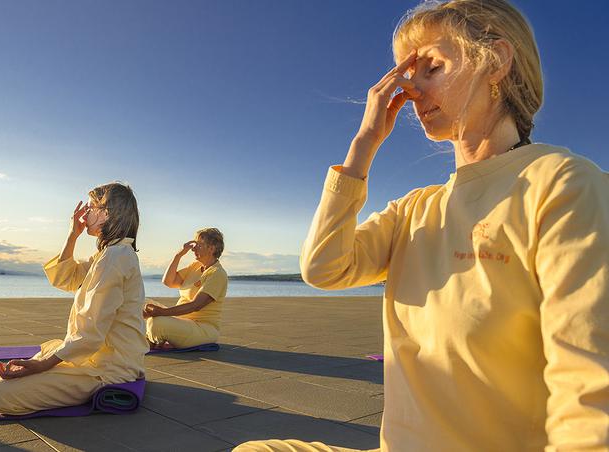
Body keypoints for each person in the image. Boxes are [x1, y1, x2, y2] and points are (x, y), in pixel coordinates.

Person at [236, 0, 609, 451]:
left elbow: (591, 395)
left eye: (430, 67)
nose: (410, 89)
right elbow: (323, 268)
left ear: (496, 61)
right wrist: (364, 145)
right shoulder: (416, 209)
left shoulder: (560, 183)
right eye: (405, 75)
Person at [0, 182, 149, 415]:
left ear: (107, 214)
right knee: (46, 354)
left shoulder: (115, 257)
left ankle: (89, 383)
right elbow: (67, 278)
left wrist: (42, 365)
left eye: (92, 206)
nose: (85, 213)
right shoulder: (108, 254)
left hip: (108, 369)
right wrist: (73, 235)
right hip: (97, 358)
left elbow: (91, 332)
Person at [143, 228, 228, 349]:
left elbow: (196, 305)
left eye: (199, 245)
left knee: (156, 323)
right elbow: (168, 281)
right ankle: (157, 337)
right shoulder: (195, 266)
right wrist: (179, 254)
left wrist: (162, 313)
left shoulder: (217, 273)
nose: (193, 248)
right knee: (141, 302)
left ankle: (154, 339)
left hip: (202, 328)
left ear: (211, 248)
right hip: (181, 322)